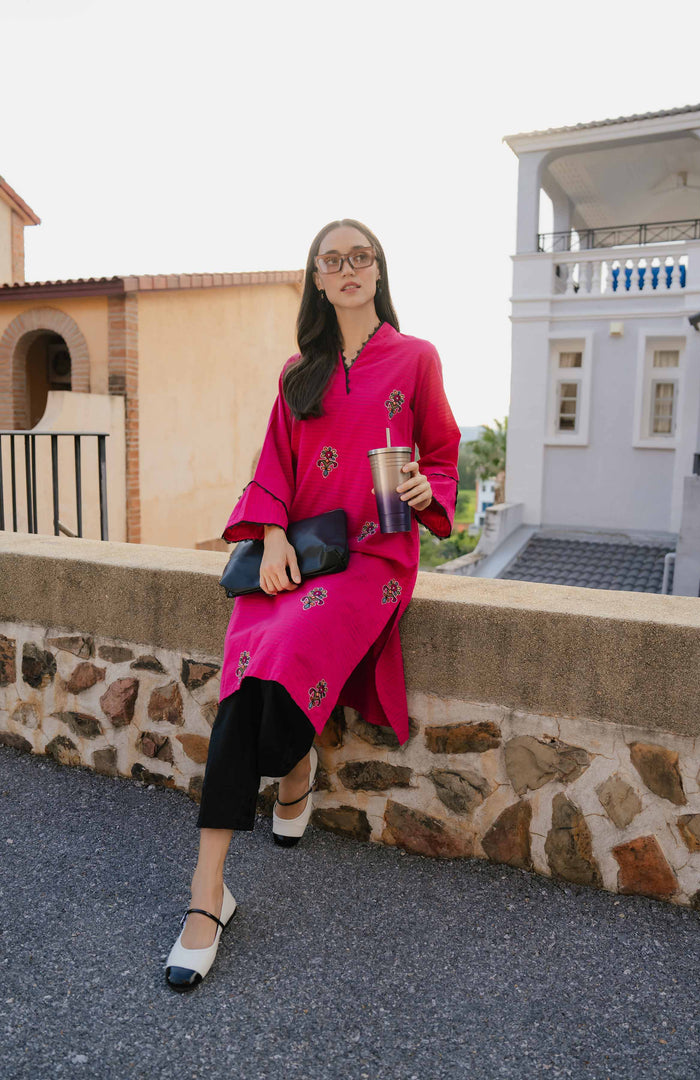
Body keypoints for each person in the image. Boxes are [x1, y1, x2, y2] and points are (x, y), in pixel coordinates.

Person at [164, 218, 461, 991]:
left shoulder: (417, 358)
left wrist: (430, 491)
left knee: (286, 651)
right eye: (334, 260)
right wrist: (268, 535)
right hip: (295, 553)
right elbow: (273, 463)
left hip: (375, 557)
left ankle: (292, 769)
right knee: (245, 664)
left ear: (378, 271)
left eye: (361, 256)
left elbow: (440, 454)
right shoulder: (299, 371)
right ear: (319, 280)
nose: (349, 268)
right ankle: (208, 894)